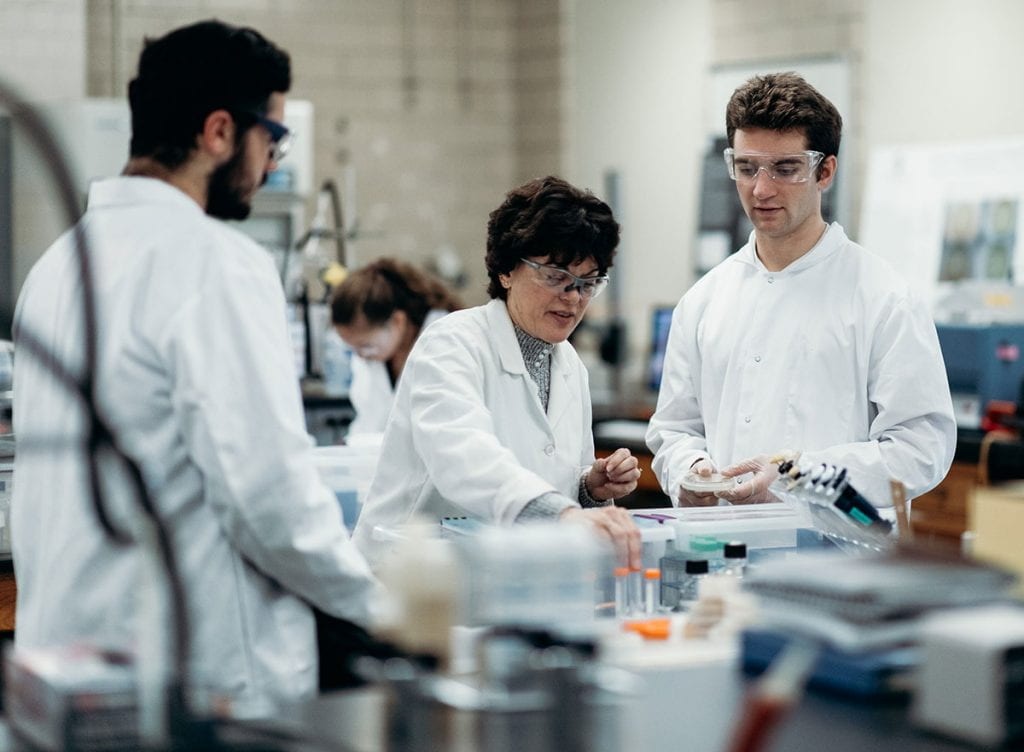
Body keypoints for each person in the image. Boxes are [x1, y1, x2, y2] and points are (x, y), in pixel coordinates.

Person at [11, 20, 380, 715]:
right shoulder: (213, 262)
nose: (272, 163)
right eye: (271, 139)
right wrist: (385, 609)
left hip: (67, 662)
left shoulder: (56, 266)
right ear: (218, 133)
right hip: (192, 676)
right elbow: (270, 500)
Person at [646, 72, 955, 511]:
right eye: (747, 167)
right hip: (722, 556)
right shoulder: (703, 300)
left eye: (786, 169)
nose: (761, 189)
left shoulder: (883, 298)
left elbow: (922, 448)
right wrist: (691, 471)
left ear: (824, 170)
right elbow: (674, 430)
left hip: (840, 562)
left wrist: (801, 475)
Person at [353, 176, 642, 570]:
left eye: (587, 283)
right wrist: (562, 514)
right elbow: (465, 458)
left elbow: (549, 474)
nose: (573, 298)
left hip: (505, 577)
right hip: (412, 577)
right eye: (556, 276)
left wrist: (589, 487)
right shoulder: (452, 344)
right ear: (506, 271)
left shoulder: (570, 365)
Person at [331, 257, 462, 437]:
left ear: (397, 321)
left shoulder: (444, 340)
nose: (361, 356)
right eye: (353, 348)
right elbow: (369, 421)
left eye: (366, 346)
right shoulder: (374, 357)